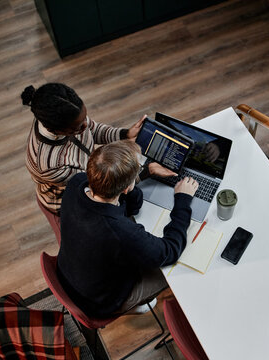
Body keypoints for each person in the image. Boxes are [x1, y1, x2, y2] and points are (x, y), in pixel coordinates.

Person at [57, 140, 198, 317]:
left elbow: (133, 207)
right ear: (126, 187)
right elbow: (169, 251)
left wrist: (128, 186)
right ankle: (135, 303)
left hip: (68, 275)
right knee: (176, 271)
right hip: (98, 302)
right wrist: (183, 200)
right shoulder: (120, 231)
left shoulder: (77, 182)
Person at [22, 83, 174, 242]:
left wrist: (125, 134)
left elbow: (93, 130)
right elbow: (100, 186)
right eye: (79, 127)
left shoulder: (69, 116)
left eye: (84, 118)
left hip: (90, 176)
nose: (86, 126)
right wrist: (146, 171)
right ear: (57, 131)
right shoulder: (50, 164)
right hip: (68, 201)